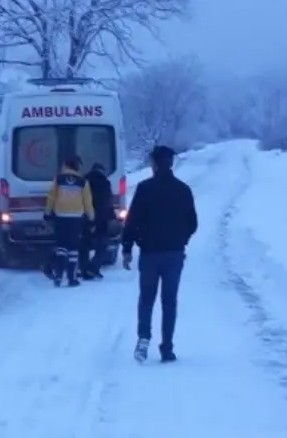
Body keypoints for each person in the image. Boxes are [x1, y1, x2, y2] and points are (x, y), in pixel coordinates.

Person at [121, 145, 198, 362]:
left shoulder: (145, 189)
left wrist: (128, 247)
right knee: (169, 301)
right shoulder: (183, 190)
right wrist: (181, 240)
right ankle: (167, 347)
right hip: (174, 254)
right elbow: (192, 223)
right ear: (171, 164)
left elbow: (132, 221)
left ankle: (143, 338)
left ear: (154, 164)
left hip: (149, 253)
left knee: (146, 299)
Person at [44, 154, 95, 287]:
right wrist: (91, 218)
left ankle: (58, 275)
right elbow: (87, 202)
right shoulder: (82, 181)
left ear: (65, 165)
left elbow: (51, 197)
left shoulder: (58, 179)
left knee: (61, 246)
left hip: (60, 217)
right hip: (76, 219)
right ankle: (72, 278)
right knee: (73, 248)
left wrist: (47, 213)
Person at [79, 162, 114, 279]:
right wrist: (112, 217)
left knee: (84, 245)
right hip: (101, 219)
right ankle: (93, 268)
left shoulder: (84, 181)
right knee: (102, 245)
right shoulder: (105, 183)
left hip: (86, 217)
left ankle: (84, 269)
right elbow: (107, 202)